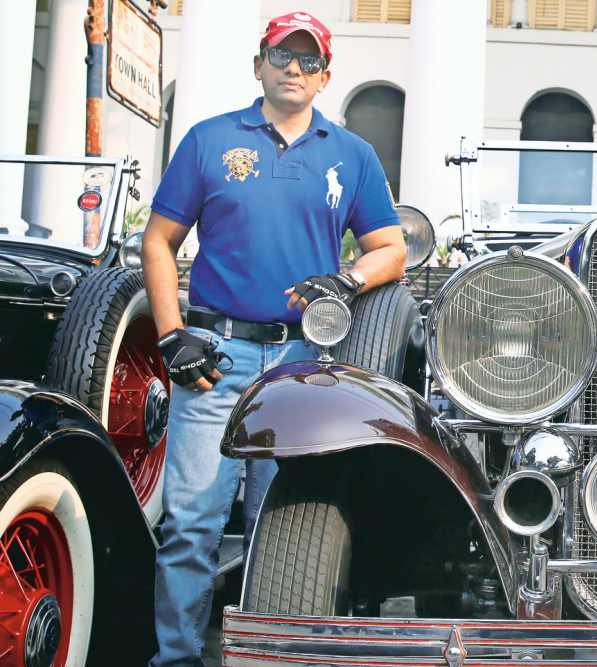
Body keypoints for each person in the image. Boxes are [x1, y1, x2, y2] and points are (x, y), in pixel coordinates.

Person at [141, 11, 407, 666]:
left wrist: (346, 279)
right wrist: (172, 334)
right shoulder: (208, 140)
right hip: (213, 359)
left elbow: (392, 249)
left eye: (308, 59)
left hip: (302, 366)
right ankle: (174, 659)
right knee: (192, 529)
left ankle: (264, 658)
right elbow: (159, 239)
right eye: (282, 56)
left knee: (278, 533)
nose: (295, 68)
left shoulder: (352, 154)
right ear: (258, 63)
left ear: (325, 75)